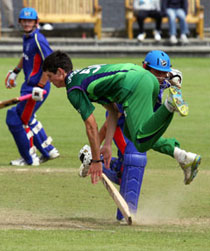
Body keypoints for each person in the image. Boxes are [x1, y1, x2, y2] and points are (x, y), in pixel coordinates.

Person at [42, 50, 192, 185]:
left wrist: (95, 160)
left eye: (50, 76)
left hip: (133, 84)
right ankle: (168, 82)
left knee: (140, 140)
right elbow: (113, 111)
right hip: (147, 78)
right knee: (130, 132)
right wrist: (107, 145)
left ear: (60, 72)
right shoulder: (84, 76)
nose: (49, 81)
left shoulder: (73, 88)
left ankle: (169, 105)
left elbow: (91, 126)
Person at [5, 7, 59, 166]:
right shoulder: (27, 37)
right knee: (25, 116)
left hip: (37, 88)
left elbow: (51, 63)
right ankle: (48, 150)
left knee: (17, 120)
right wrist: (16, 71)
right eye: (24, 21)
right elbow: (26, 55)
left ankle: (30, 158)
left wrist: (41, 85)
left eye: (30, 21)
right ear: (20, 22)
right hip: (29, 86)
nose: (27, 23)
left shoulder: (38, 39)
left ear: (36, 22)